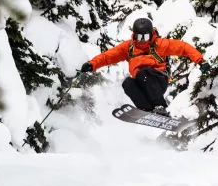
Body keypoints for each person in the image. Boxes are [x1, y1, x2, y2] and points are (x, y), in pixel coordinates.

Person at [80, 17, 211, 116]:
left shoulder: (160, 44)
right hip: (141, 82)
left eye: (146, 36)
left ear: (151, 34)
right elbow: (108, 56)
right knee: (128, 83)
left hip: (158, 79)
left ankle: (160, 106)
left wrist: (200, 61)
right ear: (134, 35)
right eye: (139, 36)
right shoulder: (129, 47)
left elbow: (184, 47)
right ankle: (147, 109)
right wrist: (92, 64)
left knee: (142, 73)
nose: (142, 40)